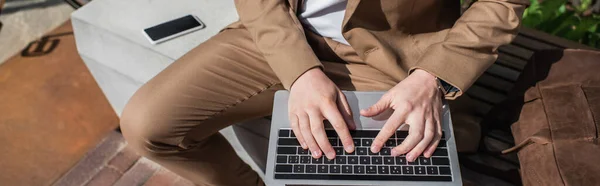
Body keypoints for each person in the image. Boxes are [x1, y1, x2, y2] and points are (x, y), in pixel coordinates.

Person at [120, 0, 529, 185]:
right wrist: (299, 72)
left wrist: (432, 77)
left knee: (395, 167)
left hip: (394, 58)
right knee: (146, 126)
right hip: (280, 34)